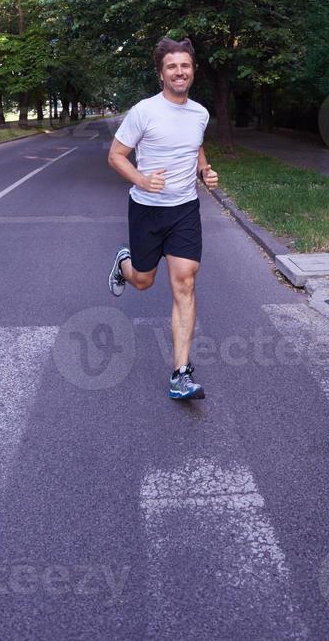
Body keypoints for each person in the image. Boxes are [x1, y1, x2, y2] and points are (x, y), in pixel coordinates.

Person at [106, 36, 219, 399]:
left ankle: (181, 373)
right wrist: (142, 179)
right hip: (147, 209)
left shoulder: (199, 113)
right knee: (142, 280)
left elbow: (195, 143)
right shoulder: (144, 111)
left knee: (184, 282)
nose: (179, 71)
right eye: (172, 66)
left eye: (185, 65)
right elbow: (116, 155)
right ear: (161, 74)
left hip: (185, 209)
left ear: (193, 71)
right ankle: (124, 262)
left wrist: (205, 170)